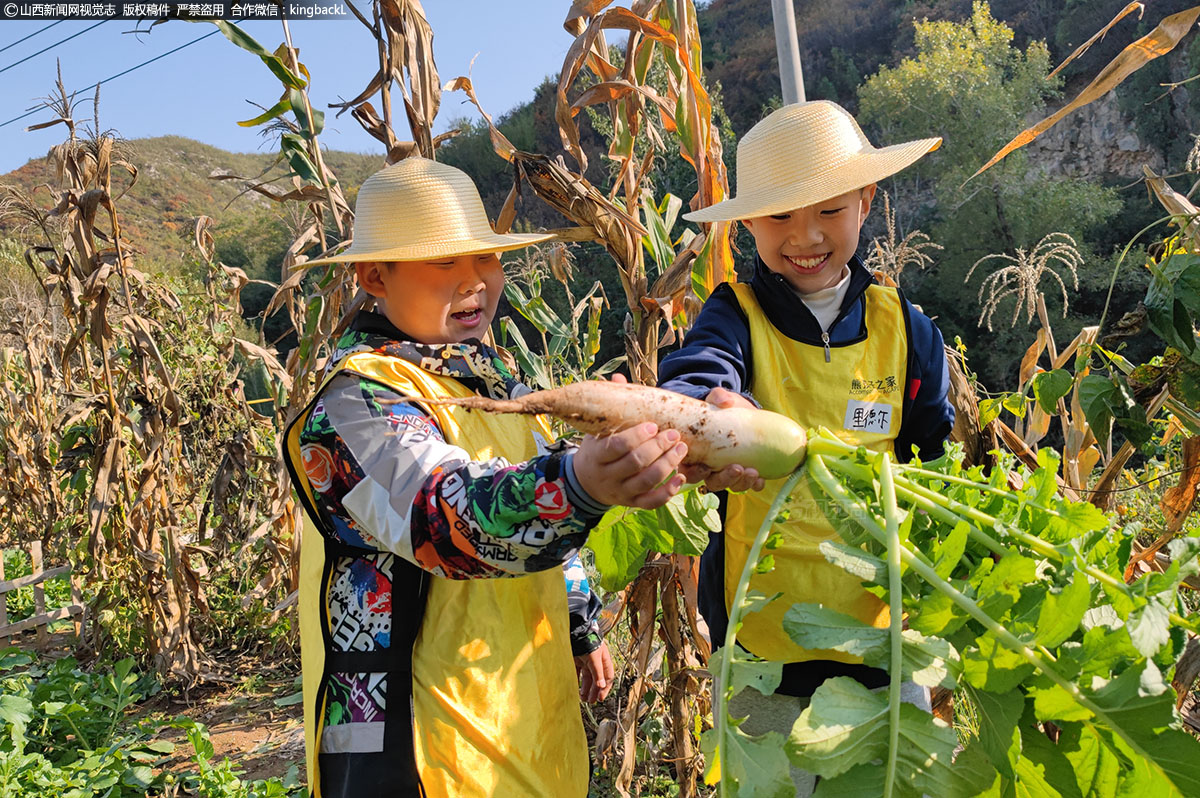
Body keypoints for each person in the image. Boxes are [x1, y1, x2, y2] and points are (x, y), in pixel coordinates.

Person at [282, 157, 690, 798]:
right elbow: (445, 519)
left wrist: (580, 623)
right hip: (417, 744)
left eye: (485, 260)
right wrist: (579, 482)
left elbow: (534, 471)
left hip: (522, 718)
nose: (474, 281)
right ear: (373, 277)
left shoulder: (492, 380)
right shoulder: (354, 405)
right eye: (444, 262)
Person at [660, 100, 955, 795]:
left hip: (880, 636)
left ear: (865, 199)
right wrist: (715, 408)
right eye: (780, 217)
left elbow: (933, 460)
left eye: (827, 210)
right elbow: (698, 372)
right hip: (767, 646)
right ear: (748, 225)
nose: (806, 236)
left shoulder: (905, 330)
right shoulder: (736, 315)